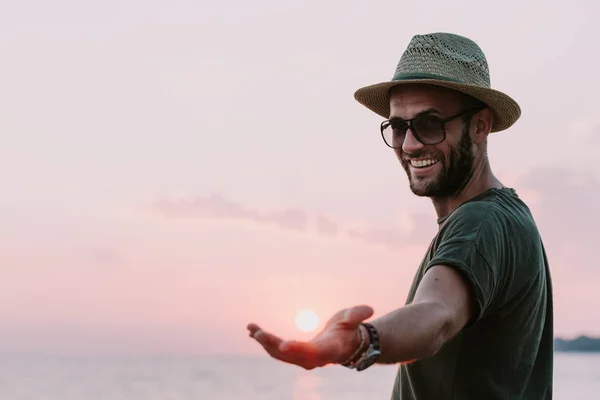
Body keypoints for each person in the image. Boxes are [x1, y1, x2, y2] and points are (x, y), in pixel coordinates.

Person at [246, 32, 554, 399]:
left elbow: (436, 313)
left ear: (480, 126)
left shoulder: (481, 224)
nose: (409, 144)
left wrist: (361, 340)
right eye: (398, 127)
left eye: (429, 124)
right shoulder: (509, 218)